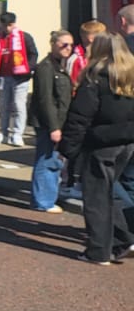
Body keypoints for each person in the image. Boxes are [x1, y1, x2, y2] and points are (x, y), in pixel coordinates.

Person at [60, 34, 134, 265]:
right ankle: (122, 240)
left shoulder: (95, 78)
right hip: (126, 142)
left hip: (101, 142)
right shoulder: (129, 76)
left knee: (96, 198)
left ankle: (99, 251)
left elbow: (80, 116)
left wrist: (68, 148)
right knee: (108, 193)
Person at [27, 31, 76, 213]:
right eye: (64, 44)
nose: (68, 48)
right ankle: (43, 201)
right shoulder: (46, 68)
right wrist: (53, 126)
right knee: (46, 160)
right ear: (53, 44)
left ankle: (46, 198)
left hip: (58, 121)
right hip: (48, 123)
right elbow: (45, 100)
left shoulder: (59, 67)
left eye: (71, 45)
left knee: (52, 160)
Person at [0, 12, 36, 147]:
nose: (7, 28)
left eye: (10, 25)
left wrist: (28, 69)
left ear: (14, 24)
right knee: (3, 106)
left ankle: (18, 134)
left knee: (19, 106)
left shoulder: (24, 37)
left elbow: (33, 54)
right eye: (4, 25)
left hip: (20, 77)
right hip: (3, 76)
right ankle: (3, 133)